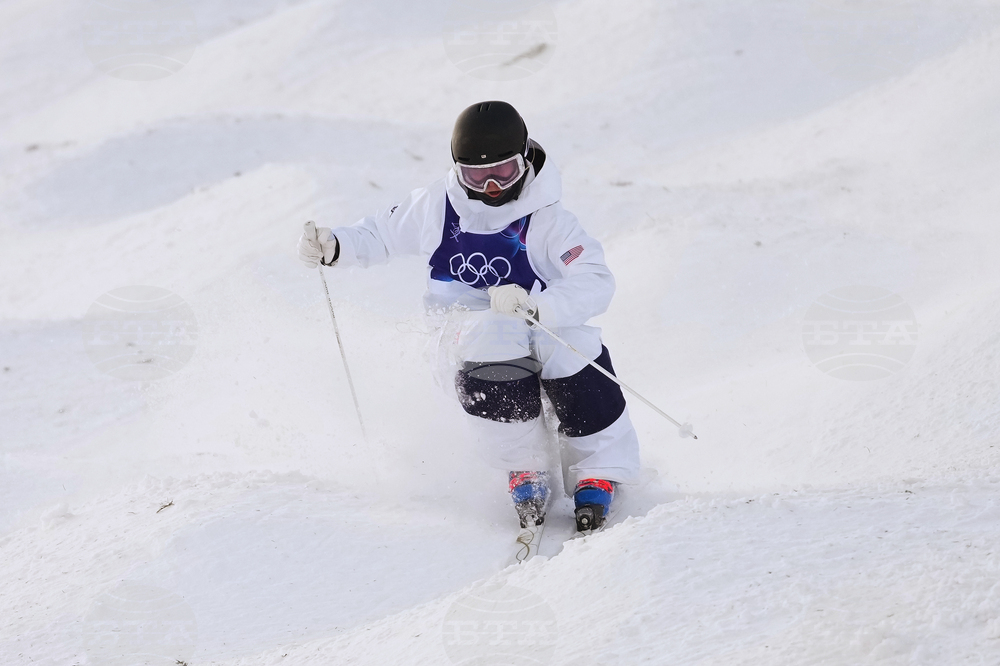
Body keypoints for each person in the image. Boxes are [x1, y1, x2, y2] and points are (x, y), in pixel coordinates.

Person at [297, 101, 640, 531]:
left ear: (526, 159)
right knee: (492, 334)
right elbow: (379, 234)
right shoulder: (437, 206)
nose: (492, 186)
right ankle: (524, 467)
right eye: (477, 176)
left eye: (505, 171)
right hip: (462, 334)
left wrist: (541, 307)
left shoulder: (549, 219)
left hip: (535, 322)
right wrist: (336, 245)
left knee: (571, 341)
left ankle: (599, 469)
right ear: (458, 169)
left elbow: (594, 279)